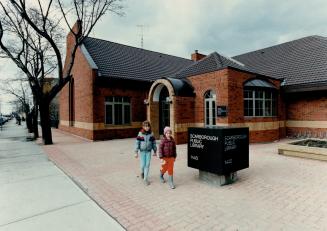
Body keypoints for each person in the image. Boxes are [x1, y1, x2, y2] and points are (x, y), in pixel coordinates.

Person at [135, 121, 157, 185]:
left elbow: (154, 143)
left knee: (147, 165)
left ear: (149, 127)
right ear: (143, 127)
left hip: (148, 152)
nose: (146, 127)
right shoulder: (140, 134)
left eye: (147, 126)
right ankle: (142, 172)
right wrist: (136, 152)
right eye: (145, 126)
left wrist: (155, 151)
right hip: (142, 152)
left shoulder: (151, 134)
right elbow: (137, 143)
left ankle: (145, 179)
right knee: (142, 165)